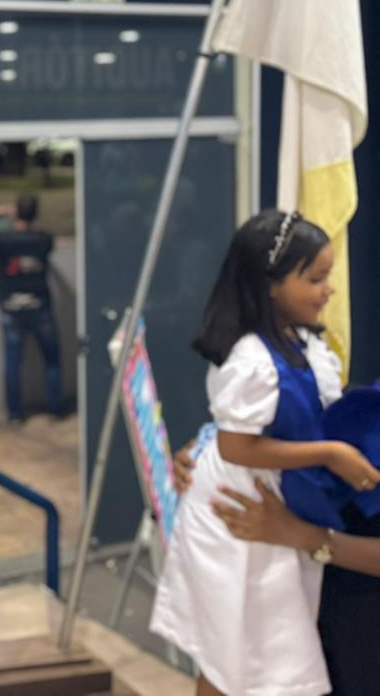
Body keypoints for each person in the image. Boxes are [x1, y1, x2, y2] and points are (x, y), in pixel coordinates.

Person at [148, 210, 380, 696]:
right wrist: (209, 445)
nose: (329, 291)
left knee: (260, 654)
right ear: (270, 285)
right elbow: (239, 439)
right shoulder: (255, 358)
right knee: (235, 651)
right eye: (316, 279)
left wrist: (308, 528)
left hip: (290, 523)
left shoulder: (301, 348)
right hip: (245, 515)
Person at [175, 432, 380, 695]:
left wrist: (307, 537)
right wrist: (207, 454)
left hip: (357, 610)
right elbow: (254, 431)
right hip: (281, 565)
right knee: (231, 668)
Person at [0, 195, 63, 421]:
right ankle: (55, 409)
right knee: (52, 360)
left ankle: (15, 414)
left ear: (16, 212)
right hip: (41, 308)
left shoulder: (4, 239)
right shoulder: (42, 239)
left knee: (13, 362)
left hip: (12, 309)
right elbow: (48, 240)